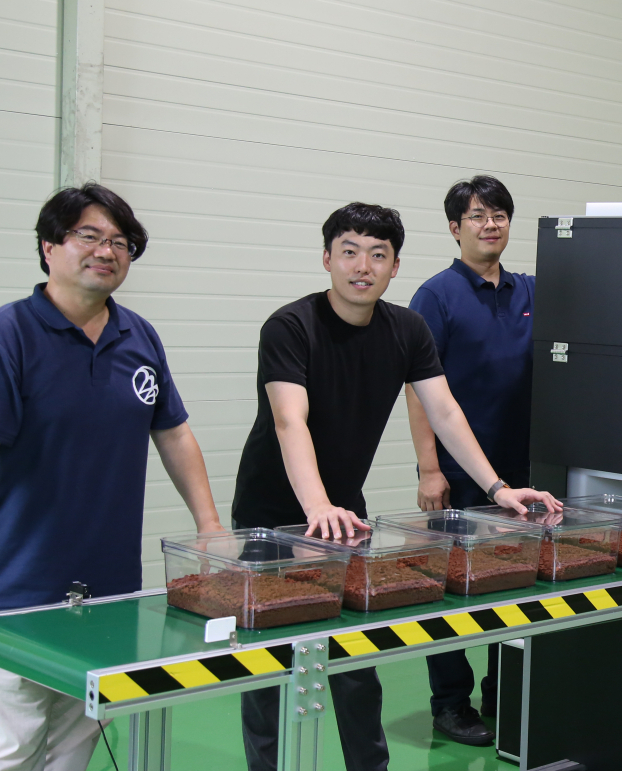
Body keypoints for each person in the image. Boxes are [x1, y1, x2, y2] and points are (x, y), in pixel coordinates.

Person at [231, 202, 559, 771]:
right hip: (272, 514)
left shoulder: (406, 329)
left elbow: (446, 412)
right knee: (268, 666)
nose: (364, 266)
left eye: (378, 255)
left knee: (356, 663)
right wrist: (315, 507)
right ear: (328, 258)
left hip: (344, 514)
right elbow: (290, 421)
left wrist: (497, 487)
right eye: (351, 252)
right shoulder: (290, 325)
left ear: (395, 265)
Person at [0, 183, 225, 771]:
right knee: (5, 752)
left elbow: (174, 433)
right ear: (49, 246)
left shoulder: (139, 337)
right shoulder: (3, 338)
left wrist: (208, 525)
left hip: (107, 596)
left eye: (120, 242)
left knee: (75, 747)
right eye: (89, 235)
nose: (107, 250)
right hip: (14, 594)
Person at [405, 176, 534, 746]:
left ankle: (502, 690)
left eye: (500, 214)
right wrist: (429, 469)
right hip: (458, 472)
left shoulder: (529, 290)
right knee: (452, 590)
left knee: (518, 586)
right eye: (478, 216)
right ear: (455, 228)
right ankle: (450, 705)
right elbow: (417, 390)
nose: (491, 224)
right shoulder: (435, 296)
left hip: (522, 472)